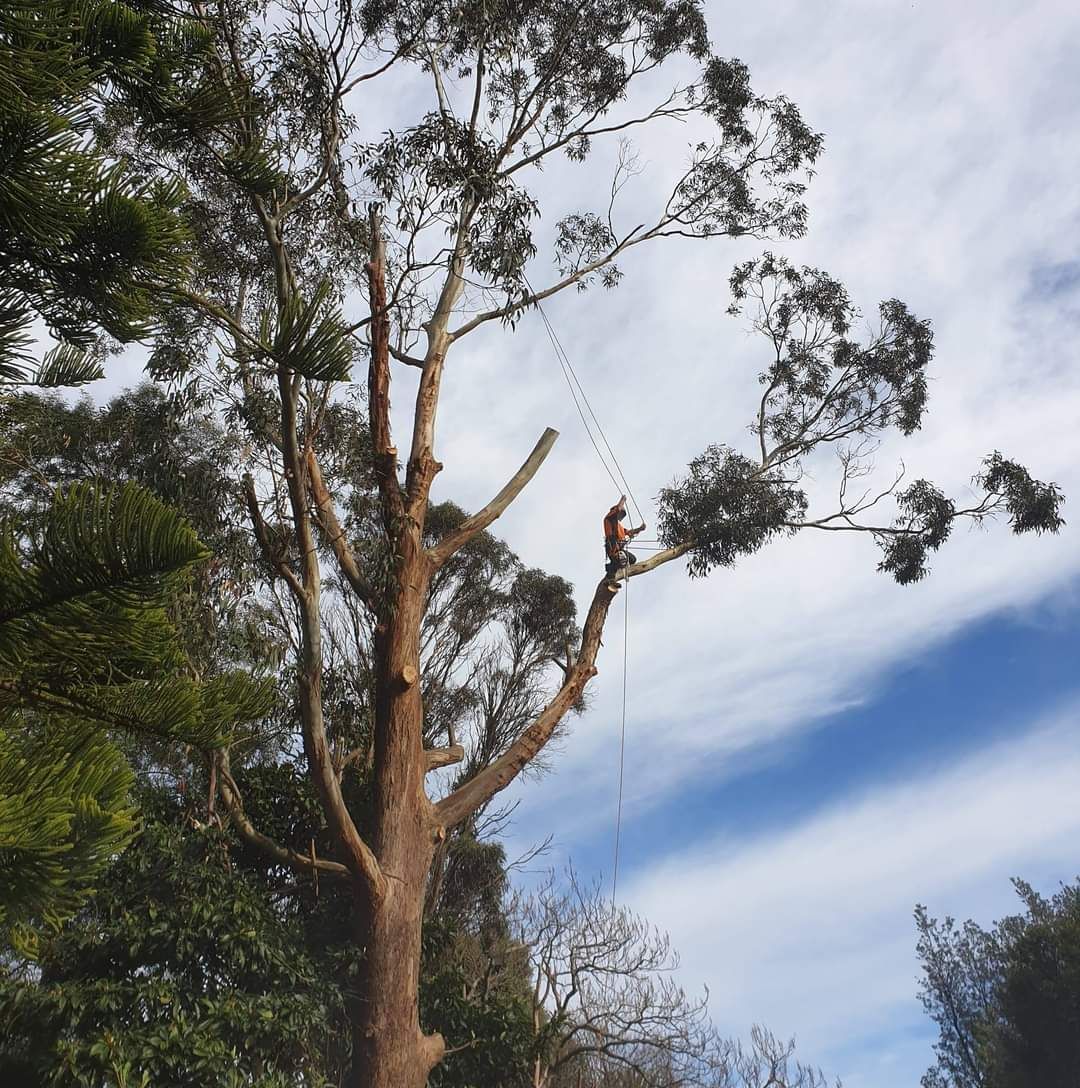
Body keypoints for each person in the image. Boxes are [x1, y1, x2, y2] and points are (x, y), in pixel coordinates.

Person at [603, 494, 645, 576]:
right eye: (621, 514)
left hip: (619, 550)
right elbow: (617, 509)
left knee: (632, 559)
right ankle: (612, 569)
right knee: (622, 558)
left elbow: (629, 532)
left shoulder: (619, 527)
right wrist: (623, 500)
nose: (621, 516)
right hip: (613, 549)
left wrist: (640, 528)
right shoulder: (608, 519)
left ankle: (614, 567)